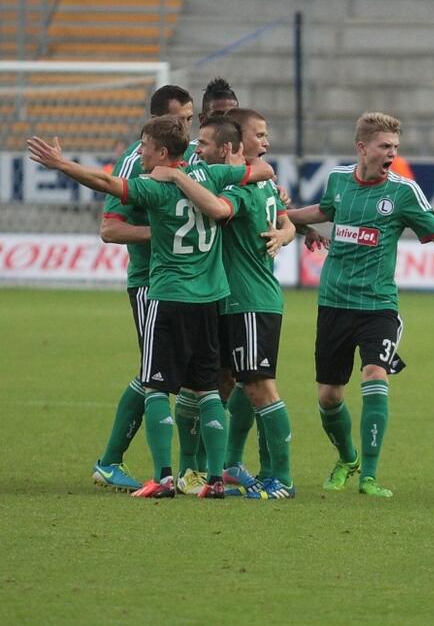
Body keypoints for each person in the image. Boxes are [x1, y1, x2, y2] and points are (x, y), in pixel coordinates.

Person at [29, 115, 274, 498]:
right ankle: (212, 480)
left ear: (162, 152)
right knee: (208, 391)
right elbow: (259, 171)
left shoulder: (154, 189)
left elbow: (107, 183)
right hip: (209, 302)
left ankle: (162, 477)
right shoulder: (211, 178)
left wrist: (62, 165)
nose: (139, 152)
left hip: (168, 297)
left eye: (144, 146)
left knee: (156, 388)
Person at [287, 111, 434, 498]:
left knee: (376, 375)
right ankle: (348, 458)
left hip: (378, 305)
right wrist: (286, 219)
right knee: (329, 396)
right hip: (334, 303)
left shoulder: (403, 192)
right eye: (384, 146)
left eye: (396, 147)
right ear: (362, 148)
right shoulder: (338, 180)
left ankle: (370, 476)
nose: (392, 153)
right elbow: (324, 212)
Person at [92, 84, 197, 493]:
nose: (189, 127)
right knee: (155, 374)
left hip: (188, 283)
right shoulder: (134, 164)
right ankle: (114, 461)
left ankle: (193, 468)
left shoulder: (188, 160)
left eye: (192, 119)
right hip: (151, 283)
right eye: (182, 120)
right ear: (159, 122)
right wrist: (161, 233)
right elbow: (110, 228)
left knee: (179, 373)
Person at [187, 110, 297, 499]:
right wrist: (286, 231)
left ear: (231, 145)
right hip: (237, 300)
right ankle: (224, 470)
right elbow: (287, 220)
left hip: (250, 300)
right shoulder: (261, 181)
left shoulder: (245, 187)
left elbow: (219, 210)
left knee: (260, 387)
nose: (266, 142)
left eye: (265, 135)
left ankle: (279, 478)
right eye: (261, 134)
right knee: (232, 383)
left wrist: (177, 179)